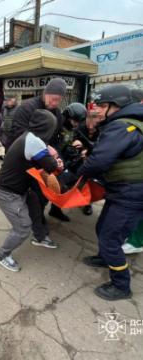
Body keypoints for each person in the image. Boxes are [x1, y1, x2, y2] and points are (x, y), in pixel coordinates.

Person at [79, 85, 143, 301]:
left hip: (131, 193)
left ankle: (121, 285)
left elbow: (100, 161)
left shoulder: (123, 126)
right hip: (123, 191)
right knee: (102, 227)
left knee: (110, 237)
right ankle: (105, 257)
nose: (100, 110)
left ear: (119, 106)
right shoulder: (130, 125)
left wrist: (74, 175)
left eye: (104, 105)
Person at [0, 109, 62, 272]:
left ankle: (40, 237)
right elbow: (51, 166)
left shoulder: (31, 137)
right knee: (23, 226)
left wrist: (50, 153)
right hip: (7, 193)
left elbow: (42, 159)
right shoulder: (33, 141)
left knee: (36, 206)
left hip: (21, 189)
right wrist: (55, 159)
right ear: (47, 128)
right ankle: (2, 254)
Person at [11, 78, 70, 223]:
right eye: (53, 99)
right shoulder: (27, 107)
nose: (54, 103)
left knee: (54, 185)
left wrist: (58, 157)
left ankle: (52, 210)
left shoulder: (57, 114)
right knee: (32, 191)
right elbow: (18, 133)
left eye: (59, 100)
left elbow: (55, 138)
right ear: (45, 93)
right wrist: (45, 147)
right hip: (23, 156)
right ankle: (35, 220)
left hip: (43, 157)